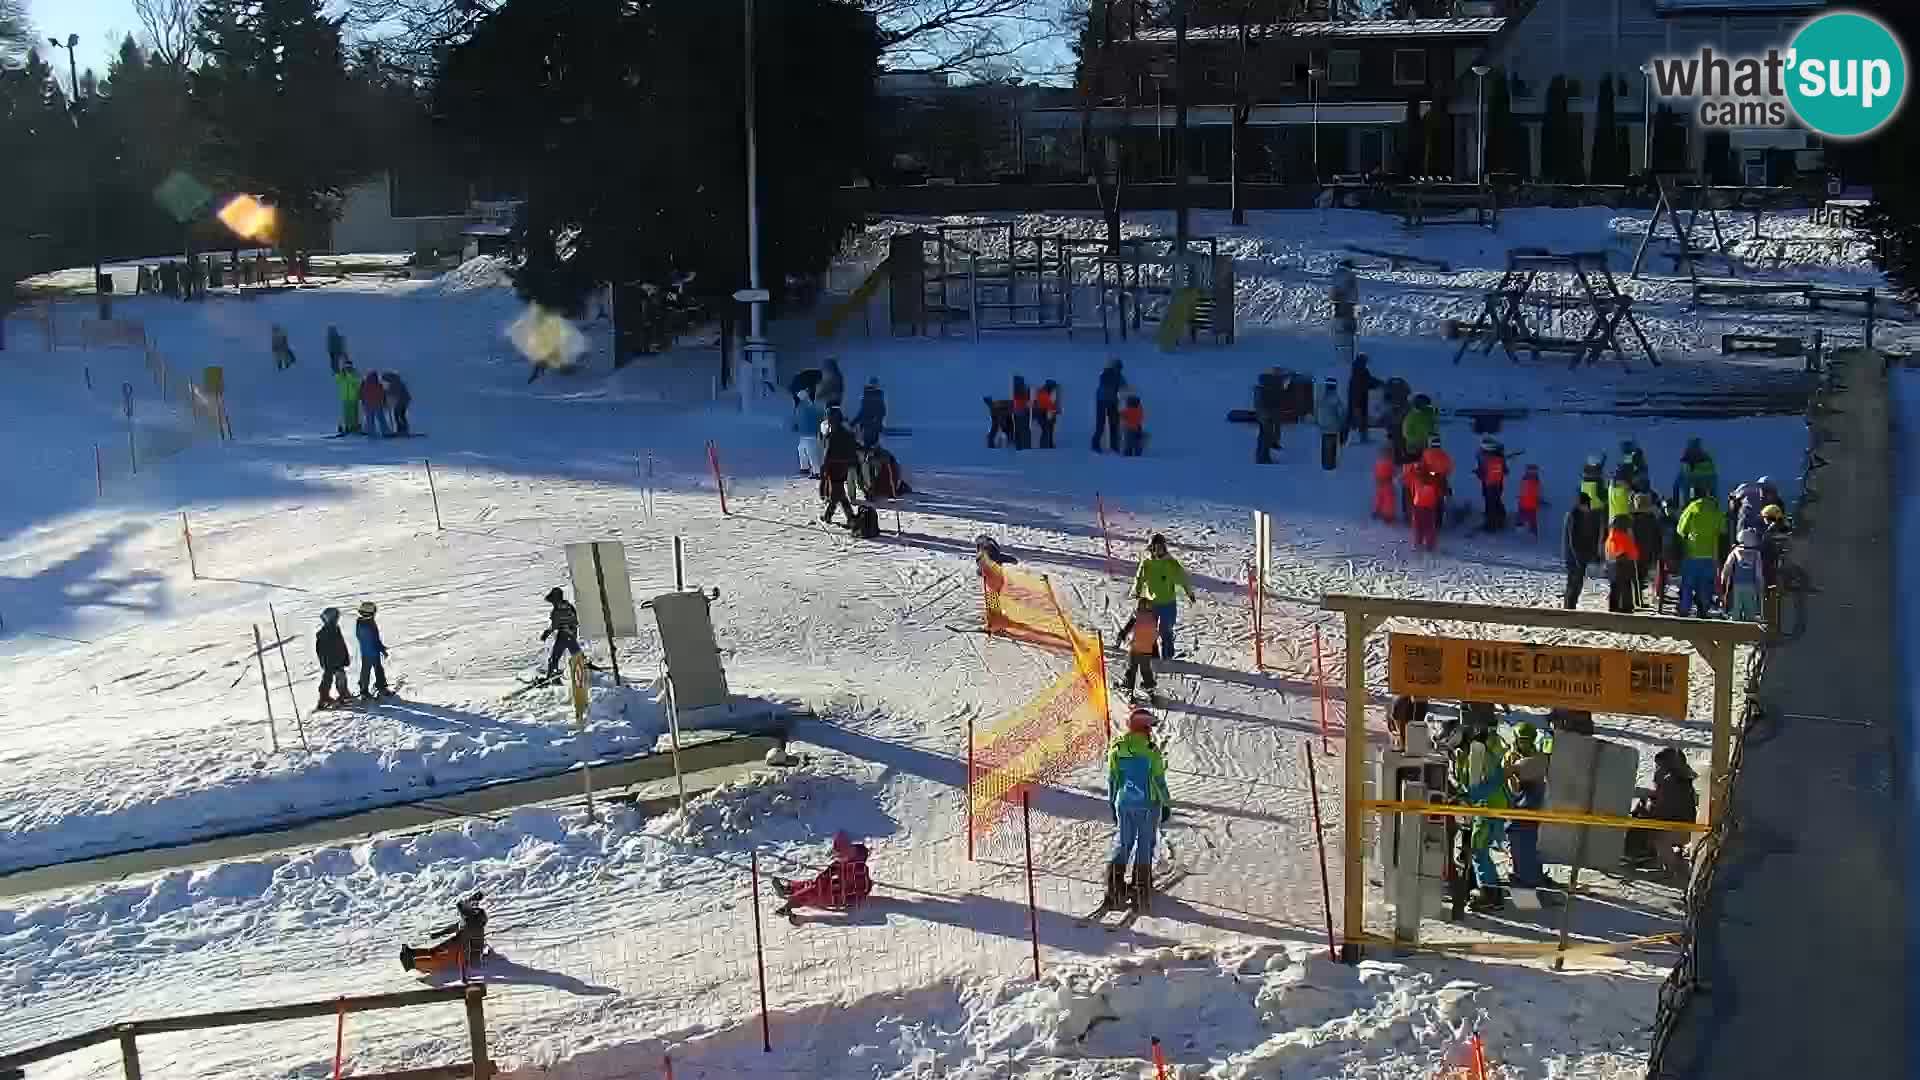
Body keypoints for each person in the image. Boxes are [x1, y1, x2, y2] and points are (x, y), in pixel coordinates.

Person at [1105, 707, 1172, 913]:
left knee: (1123, 843)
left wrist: (1112, 804)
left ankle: (1115, 887)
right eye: (1149, 727)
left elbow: (1113, 780)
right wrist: (1166, 804)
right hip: (1148, 805)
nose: (1151, 731)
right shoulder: (1152, 752)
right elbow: (1159, 781)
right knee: (1145, 844)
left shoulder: (1117, 748)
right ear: (1144, 728)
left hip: (1123, 803)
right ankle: (1141, 887)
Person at [1450, 706, 1510, 911]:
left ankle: (1490, 893)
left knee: (1479, 848)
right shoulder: (1469, 753)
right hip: (1483, 806)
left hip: (1489, 806)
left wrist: (1469, 795)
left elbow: (1492, 780)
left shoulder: (1478, 751)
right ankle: (1487, 889)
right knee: (1477, 848)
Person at [1625, 748, 1698, 873]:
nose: (1657, 769)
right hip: (1679, 823)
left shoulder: (1672, 783)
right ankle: (1643, 852)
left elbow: (1661, 810)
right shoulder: (1677, 781)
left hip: (1681, 827)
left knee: (1657, 835)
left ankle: (1673, 869)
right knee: (1642, 814)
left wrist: (1644, 809)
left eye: (1659, 766)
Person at [1503, 722, 1556, 890]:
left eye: (1526, 740)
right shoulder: (1513, 757)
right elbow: (1513, 785)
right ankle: (1526, 877)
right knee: (1524, 845)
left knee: (1529, 845)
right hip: (1523, 807)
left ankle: (1531, 878)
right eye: (1521, 740)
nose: (1523, 744)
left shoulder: (1532, 755)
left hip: (1529, 806)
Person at [772, 831, 874, 917]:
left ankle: (790, 904)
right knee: (811, 884)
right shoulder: (854, 860)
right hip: (842, 890)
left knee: (813, 891)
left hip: (838, 896)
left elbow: (820, 885)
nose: (837, 858)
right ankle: (789, 889)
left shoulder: (847, 867)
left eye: (838, 856)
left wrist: (790, 904)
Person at [1132, 534, 1195, 659]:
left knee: (1165, 630)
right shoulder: (1147, 563)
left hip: (1168, 603)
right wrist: (1137, 591)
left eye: (1161, 547)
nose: (1158, 550)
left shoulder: (1170, 563)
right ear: (1151, 548)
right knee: (1150, 630)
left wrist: (1189, 593)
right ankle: (1153, 656)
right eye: (1155, 547)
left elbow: (1183, 578)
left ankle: (1168, 656)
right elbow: (1139, 578)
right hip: (1152, 602)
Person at [400, 893, 488, 973]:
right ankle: (412, 953)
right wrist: (438, 934)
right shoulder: (468, 922)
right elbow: (455, 925)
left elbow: (475, 957)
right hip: (454, 944)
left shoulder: (472, 926)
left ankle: (412, 963)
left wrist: (472, 899)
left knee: (436, 958)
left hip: (457, 952)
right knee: (433, 952)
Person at [1674, 486, 1726, 618]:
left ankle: (1685, 609)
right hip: (1710, 553)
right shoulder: (1715, 509)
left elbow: (1680, 529)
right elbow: (1723, 529)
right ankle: (1703, 609)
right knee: (1705, 585)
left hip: (1692, 552)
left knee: (1688, 583)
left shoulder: (1691, 508)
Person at [820, 406, 861, 526]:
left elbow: (828, 454)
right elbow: (854, 445)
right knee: (840, 493)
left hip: (834, 467)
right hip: (844, 467)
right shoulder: (846, 432)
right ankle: (848, 517)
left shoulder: (832, 435)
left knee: (836, 494)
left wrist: (824, 468)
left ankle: (846, 518)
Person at [1562, 492, 1601, 608]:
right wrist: (1579, 559)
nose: (1588, 508)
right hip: (1574, 558)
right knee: (1573, 585)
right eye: (1587, 505)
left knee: (1577, 586)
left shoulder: (1580, 516)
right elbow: (1573, 541)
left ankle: (1570, 607)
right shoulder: (1574, 517)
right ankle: (1568, 609)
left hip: (1579, 558)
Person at [1720, 527, 1768, 621]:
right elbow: (1759, 574)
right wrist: (1761, 587)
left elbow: (1727, 568)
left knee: (1735, 612)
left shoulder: (1735, 552)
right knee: (1750, 613)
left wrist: (1723, 580)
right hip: (1751, 586)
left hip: (1737, 585)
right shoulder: (1756, 554)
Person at [1115, 598, 1160, 696]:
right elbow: (1154, 635)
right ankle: (1149, 686)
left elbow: (1128, 627)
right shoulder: (1153, 619)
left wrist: (1121, 636)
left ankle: (1128, 686)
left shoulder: (1136, 616)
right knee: (1146, 669)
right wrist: (1155, 652)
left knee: (1132, 668)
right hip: (1147, 650)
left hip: (1135, 648)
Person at [314, 607, 353, 709]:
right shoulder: (324, 633)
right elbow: (320, 650)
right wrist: (324, 661)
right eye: (336, 618)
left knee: (339, 677)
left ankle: (342, 693)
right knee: (329, 678)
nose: (337, 619)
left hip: (337, 660)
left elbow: (341, 645)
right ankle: (324, 698)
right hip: (330, 661)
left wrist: (345, 657)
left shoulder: (335, 629)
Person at [541, 587, 582, 678]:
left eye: (553, 601)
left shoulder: (557, 610)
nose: (552, 603)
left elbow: (555, 625)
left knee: (555, 657)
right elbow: (574, 621)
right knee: (576, 656)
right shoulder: (568, 606)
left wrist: (547, 633)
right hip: (571, 635)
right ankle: (581, 671)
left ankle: (552, 675)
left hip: (564, 636)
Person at [354, 601, 393, 698]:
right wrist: (382, 650)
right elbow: (373, 640)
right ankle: (366, 690)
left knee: (373, 669)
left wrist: (381, 647)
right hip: (370, 652)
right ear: (370, 613)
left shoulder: (362, 622)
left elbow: (374, 639)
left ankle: (376, 685)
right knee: (369, 670)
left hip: (368, 651)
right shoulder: (368, 625)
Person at [1630, 493, 1662, 605]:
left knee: (1635, 578)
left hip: (1633, 553)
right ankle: (1638, 600)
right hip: (1646, 553)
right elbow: (1657, 537)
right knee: (1641, 577)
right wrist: (1657, 553)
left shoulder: (1631, 519)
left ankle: (1636, 600)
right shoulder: (1652, 519)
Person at [1605, 514, 1640, 613]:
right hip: (1624, 565)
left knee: (1614, 588)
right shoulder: (1624, 537)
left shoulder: (1610, 538)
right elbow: (1633, 553)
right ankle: (1626, 608)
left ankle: (1613, 607)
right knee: (1626, 587)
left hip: (1612, 565)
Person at [1671, 437, 1717, 508]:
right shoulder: (1708, 461)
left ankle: (1681, 505)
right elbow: (1713, 484)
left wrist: (1678, 504)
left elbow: (1678, 486)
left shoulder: (1686, 462)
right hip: (1705, 498)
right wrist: (1714, 501)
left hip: (1693, 499)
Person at [1473, 436, 1507, 532]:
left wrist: (1479, 473)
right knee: (1495, 500)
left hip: (1491, 484)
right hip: (1494, 483)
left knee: (1491, 502)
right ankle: (1500, 518)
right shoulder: (1496, 455)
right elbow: (1504, 470)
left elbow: (1485, 472)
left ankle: (1491, 524)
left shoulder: (1487, 456)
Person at [1092, 356, 1125, 453]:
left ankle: (1114, 446)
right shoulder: (1105, 373)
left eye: (1120, 368)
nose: (1119, 369)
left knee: (1114, 424)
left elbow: (1123, 385)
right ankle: (1095, 444)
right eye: (1117, 367)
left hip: (1113, 401)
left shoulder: (1119, 376)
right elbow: (1105, 382)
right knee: (1100, 424)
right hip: (1102, 401)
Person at [1420, 434, 1453, 530]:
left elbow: (1422, 467)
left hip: (1429, 482)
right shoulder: (1444, 454)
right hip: (1441, 481)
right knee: (1439, 502)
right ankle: (1437, 522)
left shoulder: (1426, 453)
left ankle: (1428, 521)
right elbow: (1449, 467)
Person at [1254, 368, 1286, 464]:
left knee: (1264, 435)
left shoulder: (1263, 386)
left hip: (1264, 413)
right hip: (1268, 413)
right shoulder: (1274, 386)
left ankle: (1262, 456)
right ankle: (1263, 458)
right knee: (1266, 436)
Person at [1345, 352, 1380, 443]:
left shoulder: (1359, 370)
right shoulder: (1360, 371)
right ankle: (1356, 438)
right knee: (1358, 418)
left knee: (1355, 418)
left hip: (1358, 397)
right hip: (1358, 398)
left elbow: (1368, 381)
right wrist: (1380, 384)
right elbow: (1368, 382)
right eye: (1365, 361)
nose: (1366, 363)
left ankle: (1348, 438)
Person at [1410, 463, 1442, 550]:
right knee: (1429, 527)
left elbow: (1412, 491)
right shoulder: (1433, 479)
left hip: (1417, 505)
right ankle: (1430, 545)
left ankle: (1418, 544)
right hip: (1429, 506)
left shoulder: (1415, 478)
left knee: (1418, 526)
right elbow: (1438, 492)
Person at [794, 393, 826, 477]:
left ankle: (817, 472)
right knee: (802, 450)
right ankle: (805, 468)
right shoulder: (804, 407)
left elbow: (819, 418)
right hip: (806, 435)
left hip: (810, 435)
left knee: (812, 454)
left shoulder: (807, 407)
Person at [1315, 377, 1344, 470]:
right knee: (1332, 446)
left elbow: (1317, 411)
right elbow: (1341, 412)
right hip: (1333, 426)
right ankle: (1330, 464)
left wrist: (1318, 422)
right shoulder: (1335, 398)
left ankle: (1324, 463)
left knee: (1324, 445)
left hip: (1323, 426)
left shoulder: (1321, 398)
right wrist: (1341, 422)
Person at [851, 378, 886, 449]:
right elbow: (882, 412)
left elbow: (862, 412)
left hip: (869, 427)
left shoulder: (869, 396)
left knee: (868, 447)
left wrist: (853, 423)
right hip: (871, 427)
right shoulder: (876, 396)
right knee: (872, 448)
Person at [1400, 394, 1437, 459]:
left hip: (1427, 445)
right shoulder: (1411, 416)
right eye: (1420, 403)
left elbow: (1433, 426)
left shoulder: (1429, 412)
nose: (1423, 405)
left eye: (1424, 403)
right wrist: (1418, 440)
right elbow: (1406, 433)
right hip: (1414, 447)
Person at [360, 369, 391, 437]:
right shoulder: (379, 385)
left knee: (370, 420)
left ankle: (371, 433)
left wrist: (363, 402)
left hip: (368, 405)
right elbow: (382, 395)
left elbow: (361, 394)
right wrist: (384, 403)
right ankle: (386, 432)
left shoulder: (364, 384)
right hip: (377, 404)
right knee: (381, 419)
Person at [334, 361, 362, 435]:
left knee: (354, 413)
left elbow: (357, 382)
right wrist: (339, 374)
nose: (347, 368)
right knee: (347, 413)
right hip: (345, 397)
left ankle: (354, 426)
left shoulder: (355, 373)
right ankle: (348, 426)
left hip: (353, 397)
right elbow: (337, 380)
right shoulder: (343, 374)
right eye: (346, 366)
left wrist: (349, 375)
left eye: (349, 366)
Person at [1372, 445, 1398, 523]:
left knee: (1379, 497)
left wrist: (1377, 480)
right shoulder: (1390, 463)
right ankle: (1388, 515)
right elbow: (1393, 473)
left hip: (1380, 483)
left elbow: (1376, 472)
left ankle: (1377, 510)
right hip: (1388, 483)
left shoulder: (1378, 463)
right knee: (1388, 499)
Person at [1516, 463, 1543, 537]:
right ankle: (1531, 530)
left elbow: (1533, 492)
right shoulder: (1535, 481)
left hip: (1526, 504)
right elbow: (1535, 492)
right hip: (1529, 504)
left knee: (1526, 517)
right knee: (1530, 518)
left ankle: (1522, 526)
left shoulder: (1526, 479)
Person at [383, 371, 412, 436]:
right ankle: (403, 429)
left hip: (402, 401)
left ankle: (402, 429)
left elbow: (391, 392)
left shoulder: (395, 383)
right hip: (403, 401)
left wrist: (385, 394)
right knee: (400, 415)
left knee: (398, 415)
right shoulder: (397, 382)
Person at [1034, 379, 1061, 449]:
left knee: (1050, 430)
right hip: (1042, 414)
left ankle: (1049, 445)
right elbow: (1047, 404)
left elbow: (1052, 404)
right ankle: (1044, 446)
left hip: (1047, 414)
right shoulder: (1042, 392)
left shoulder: (1048, 392)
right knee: (1046, 430)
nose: (1053, 388)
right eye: (1053, 387)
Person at [1009, 375, 1032, 450]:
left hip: (1017, 413)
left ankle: (1019, 446)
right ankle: (1023, 446)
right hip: (1022, 412)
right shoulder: (1021, 390)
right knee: (1023, 430)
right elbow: (1025, 402)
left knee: (1018, 430)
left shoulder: (1016, 389)